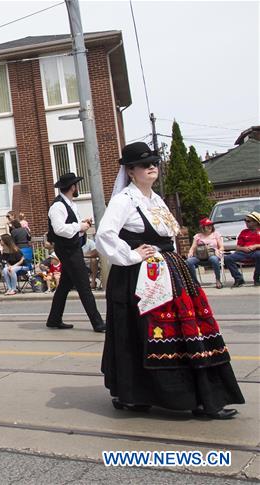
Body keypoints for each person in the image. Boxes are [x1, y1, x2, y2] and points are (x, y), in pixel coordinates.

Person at [96, 141, 243, 419]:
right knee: (146, 333)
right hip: (140, 277)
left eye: (154, 162)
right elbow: (104, 235)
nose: (152, 167)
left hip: (170, 272)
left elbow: (168, 238)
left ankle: (201, 396)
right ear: (130, 171)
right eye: (144, 164)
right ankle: (142, 395)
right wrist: (131, 255)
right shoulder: (124, 200)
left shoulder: (156, 199)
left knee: (186, 328)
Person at [45, 172, 106, 332]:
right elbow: (59, 229)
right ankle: (98, 323)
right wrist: (79, 227)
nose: (77, 188)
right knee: (83, 286)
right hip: (68, 250)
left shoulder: (70, 205)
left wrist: (82, 225)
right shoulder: (58, 206)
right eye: (76, 185)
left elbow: (70, 228)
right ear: (72, 187)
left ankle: (54, 319)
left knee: (65, 285)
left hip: (72, 247)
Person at [223, 211, 260, 287]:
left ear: (256, 222)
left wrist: (256, 246)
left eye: (248, 221)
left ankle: (257, 278)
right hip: (243, 252)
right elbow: (238, 247)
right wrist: (244, 248)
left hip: (257, 251)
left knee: (259, 255)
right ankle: (238, 279)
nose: (246, 222)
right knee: (228, 258)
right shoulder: (244, 232)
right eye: (245, 220)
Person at [185, 217, 225, 289]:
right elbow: (193, 247)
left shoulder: (216, 234)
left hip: (212, 254)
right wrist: (190, 253)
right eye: (207, 225)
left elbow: (221, 247)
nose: (210, 227)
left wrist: (218, 251)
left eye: (211, 225)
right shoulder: (198, 236)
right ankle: (195, 283)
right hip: (200, 256)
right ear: (203, 227)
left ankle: (218, 280)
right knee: (189, 261)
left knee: (214, 259)